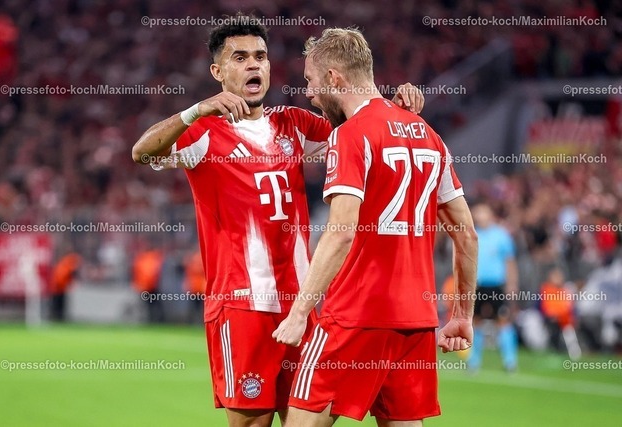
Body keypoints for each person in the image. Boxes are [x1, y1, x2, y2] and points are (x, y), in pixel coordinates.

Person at [131, 14, 424, 427]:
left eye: (260, 56)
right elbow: (141, 152)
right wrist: (195, 110)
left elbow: (361, 128)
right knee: (253, 421)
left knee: (307, 419)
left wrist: (394, 107)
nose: (253, 64)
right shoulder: (204, 132)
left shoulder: (294, 123)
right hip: (242, 305)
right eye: (240, 58)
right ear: (218, 72)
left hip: (302, 305)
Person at [273, 28, 478, 427]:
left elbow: (341, 231)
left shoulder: (351, 135)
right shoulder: (430, 137)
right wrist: (462, 314)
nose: (309, 94)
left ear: (334, 78)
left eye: (311, 82)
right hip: (415, 321)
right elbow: (466, 234)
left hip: (355, 316)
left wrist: (300, 312)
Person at [467, 203, 519, 372]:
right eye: (477, 213)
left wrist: (512, 284)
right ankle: (473, 361)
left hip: (497, 285)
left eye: (482, 213)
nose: (479, 216)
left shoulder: (501, 235)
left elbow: (509, 261)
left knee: (503, 321)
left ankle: (510, 361)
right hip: (478, 285)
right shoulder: (473, 235)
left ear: (490, 214)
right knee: (476, 322)